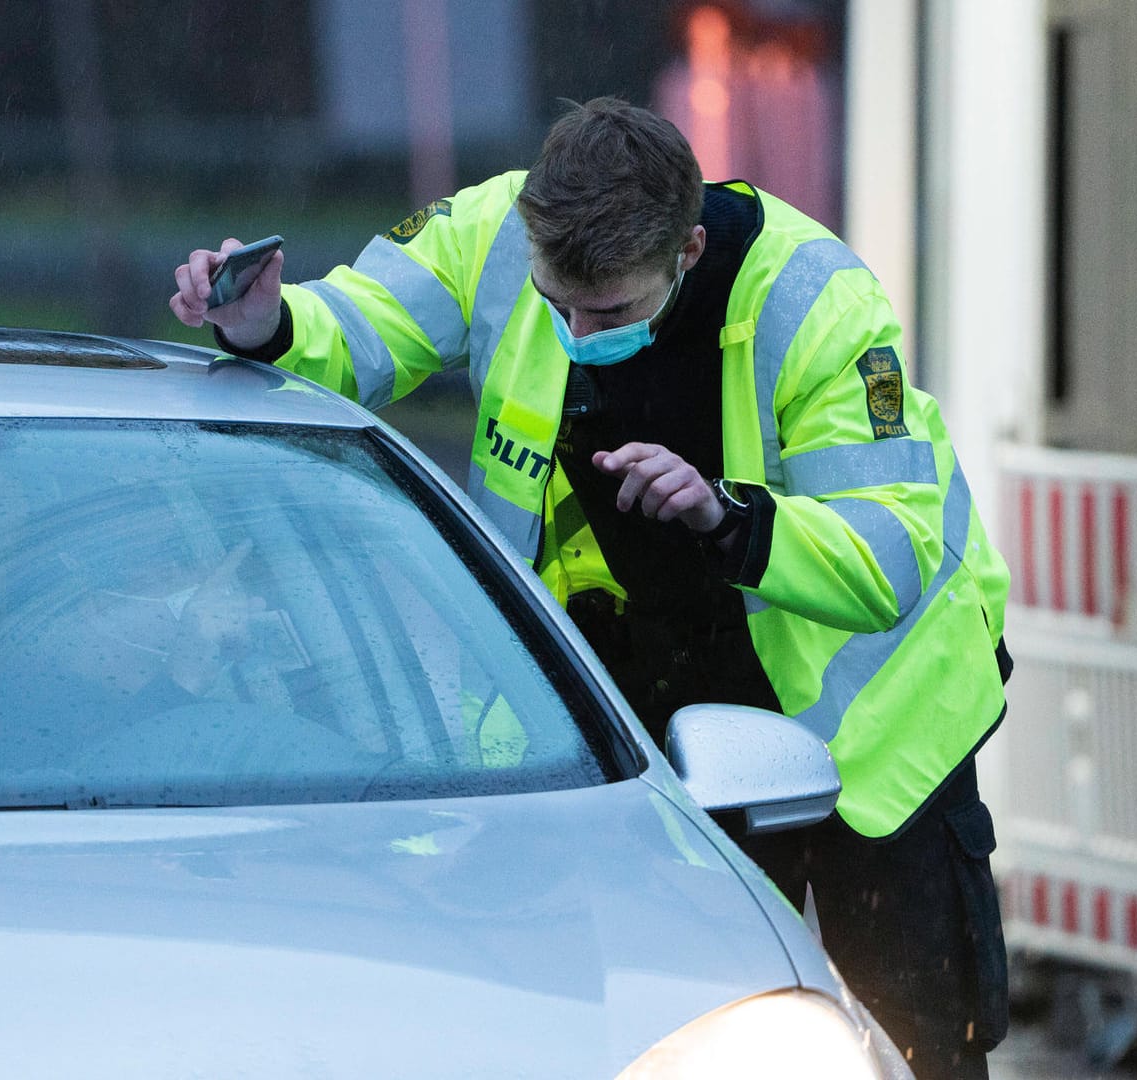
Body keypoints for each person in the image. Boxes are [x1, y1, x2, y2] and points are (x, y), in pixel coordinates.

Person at [169, 97, 1012, 1078]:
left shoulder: (816, 301)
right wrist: (263, 321)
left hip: (876, 728)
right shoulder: (496, 233)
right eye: (555, 303)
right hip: (652, 718)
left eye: (608, 313)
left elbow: (890, 558)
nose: (574, 333)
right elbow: (359, 327)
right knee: (676, 1031)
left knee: (914, 1044)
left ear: (687, 251)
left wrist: (727, 519)